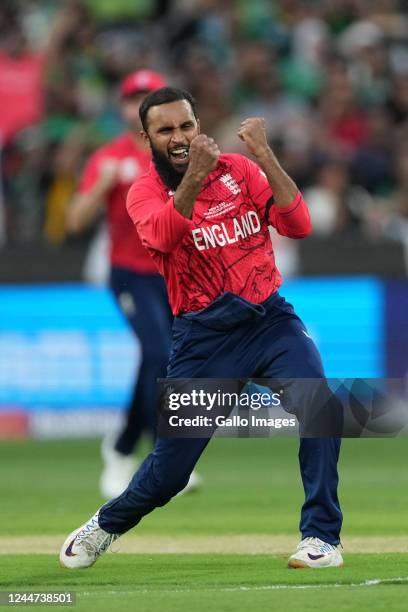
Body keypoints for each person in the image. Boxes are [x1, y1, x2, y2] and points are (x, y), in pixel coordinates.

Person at [60, 87, 343, 570]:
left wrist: (263, 153)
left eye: (185, 126)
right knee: (168, 475)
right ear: (145, 137)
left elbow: (298, 225)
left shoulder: (240, 170)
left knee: (321, 406)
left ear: (198, 124)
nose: (178, 137)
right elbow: (165, 236)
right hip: (204, 338)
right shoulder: (143, 192)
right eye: (165, 130)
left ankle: (321, 538)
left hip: (268, 319)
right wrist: (194, 174)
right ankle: (105, 525)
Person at [66, 74, 200, 498]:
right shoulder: (108, 157)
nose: (138, 104)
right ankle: (155, 453)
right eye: (132, 99)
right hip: (131, 273)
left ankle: (127, 447)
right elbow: (74, 221)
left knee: (163, 358)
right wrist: (104, 184)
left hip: (177, 274)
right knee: (159, 353)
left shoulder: (182, 155)